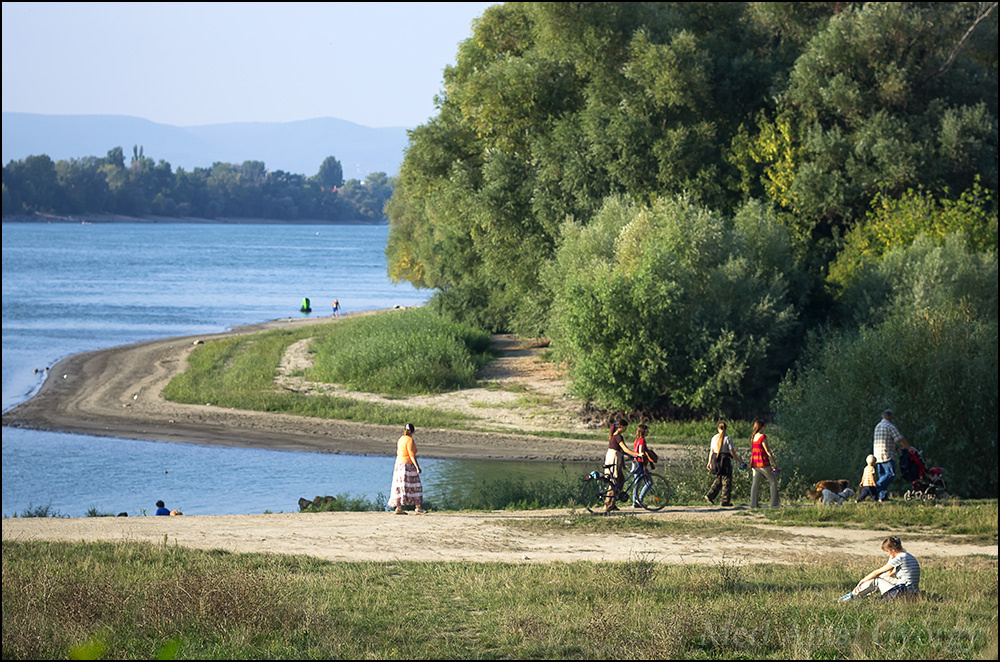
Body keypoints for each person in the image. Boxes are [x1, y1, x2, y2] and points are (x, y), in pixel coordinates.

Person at [838, 536, 920, 601]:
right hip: (910, 590)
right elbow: (889, 573)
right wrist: (891, 556)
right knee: (883, 577)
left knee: (876, 580)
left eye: (888, 551)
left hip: (903, 592)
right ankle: (863, 597)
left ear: (892, 550)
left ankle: (851, 596)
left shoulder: (900, 557)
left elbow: (878, 572)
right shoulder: (907, 556)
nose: (888, 553)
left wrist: (862, 580)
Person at [873, 410, 912, 502]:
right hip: (887, 454)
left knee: (882, 474)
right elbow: (900, 438)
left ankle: (882, 497)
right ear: (890, 417)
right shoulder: (889, 426)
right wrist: (908, 448)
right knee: (890, 474)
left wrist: (896, 448)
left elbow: (885, 439)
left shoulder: (878, 426)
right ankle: (874, 490)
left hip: (877, 454)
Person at [387, 423, 426, 515]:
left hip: (399, 464)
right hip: (407, 465)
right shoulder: (410, 440)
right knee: (415, 486)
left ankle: (398, 507)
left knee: (400, 486)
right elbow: (412, 455)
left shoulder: (401, 439)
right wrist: (417, 467)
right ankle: (418, 507)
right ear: (412, 431)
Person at [705, 421, 744, 507]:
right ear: (725, 429)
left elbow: (711, 451)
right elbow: (732, 452)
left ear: (718, 428)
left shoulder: (714, 438)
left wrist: (709, 462)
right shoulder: (728, 439)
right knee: (726, 480)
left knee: (719, 479)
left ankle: (710, 495)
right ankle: (725, 500)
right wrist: (740, 461)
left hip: (716, 459)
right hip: (725, 460)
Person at [604, 420, 639, 512]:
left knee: (621, 480)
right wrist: (637, 454)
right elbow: (624, 449)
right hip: (614, 458)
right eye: (625, 427)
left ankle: (613, 501)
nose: (626, 429)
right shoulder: (617, 436)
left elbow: (622, 450)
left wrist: (631, 456)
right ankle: (608, 504)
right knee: (613, 481)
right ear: (622, 426)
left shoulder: (616, 436)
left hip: (616, 458)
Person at [749, 419, 780, 508]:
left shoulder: (753, 437)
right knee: (773, 482)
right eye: (764, 426)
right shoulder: (763, 437)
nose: (765, 428)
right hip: (763, 462)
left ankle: (753, 504)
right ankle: (774, 503)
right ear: (761, 427)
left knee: (755, 484)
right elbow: (767, 451)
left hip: (754, 463)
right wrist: (774, 463)